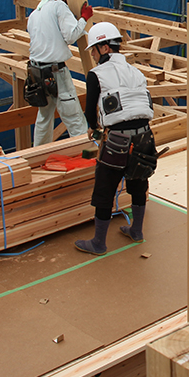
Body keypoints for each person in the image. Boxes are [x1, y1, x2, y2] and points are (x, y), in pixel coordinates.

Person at [74, 22, 158, 255]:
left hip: (118, 141)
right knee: (139, 182)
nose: (91, 54)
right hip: (144, 137)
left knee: (104, 189)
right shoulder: (136, 71)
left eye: (93, 49)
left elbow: (90, 111)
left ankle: (99, 244)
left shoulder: (96, 75)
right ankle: (137, 231)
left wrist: (92, 126)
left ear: (103, 48)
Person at [26, 0, 93, 146]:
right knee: (73, 116)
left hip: (37, 73)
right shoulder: (59, 7)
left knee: (44, 117)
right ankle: (86, 153)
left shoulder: (34, 14)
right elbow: (70, 36)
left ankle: (38, 155)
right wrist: (84, 18)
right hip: (55, 73)